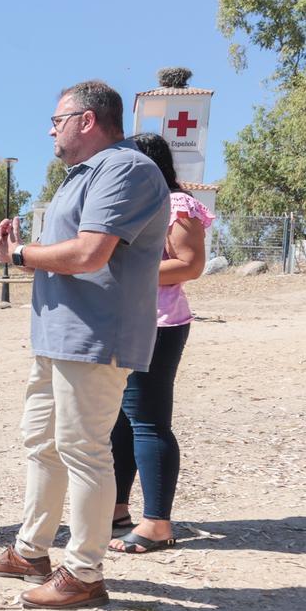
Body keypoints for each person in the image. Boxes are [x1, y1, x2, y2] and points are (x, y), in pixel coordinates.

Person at [0, 80, 170, 609]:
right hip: (58, 336)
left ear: (87, 120)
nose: (50, 129)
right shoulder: (82, 177)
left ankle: (84, 572)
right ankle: (32, 550)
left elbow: (89, 254)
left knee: (84, 450)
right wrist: (12, 247)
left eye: (57, 119)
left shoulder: (125, 169)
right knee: (41, 443)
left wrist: (17, 256)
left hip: (94, 336)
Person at [110, 133, 214, 553]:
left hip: (160, 324)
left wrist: (120, 273)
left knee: (148, 421)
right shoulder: (140, 206)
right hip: (127, 323)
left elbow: (190, 265)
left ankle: (157, 522)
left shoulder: (176, 204)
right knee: (119, 422)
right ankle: (116, 509)